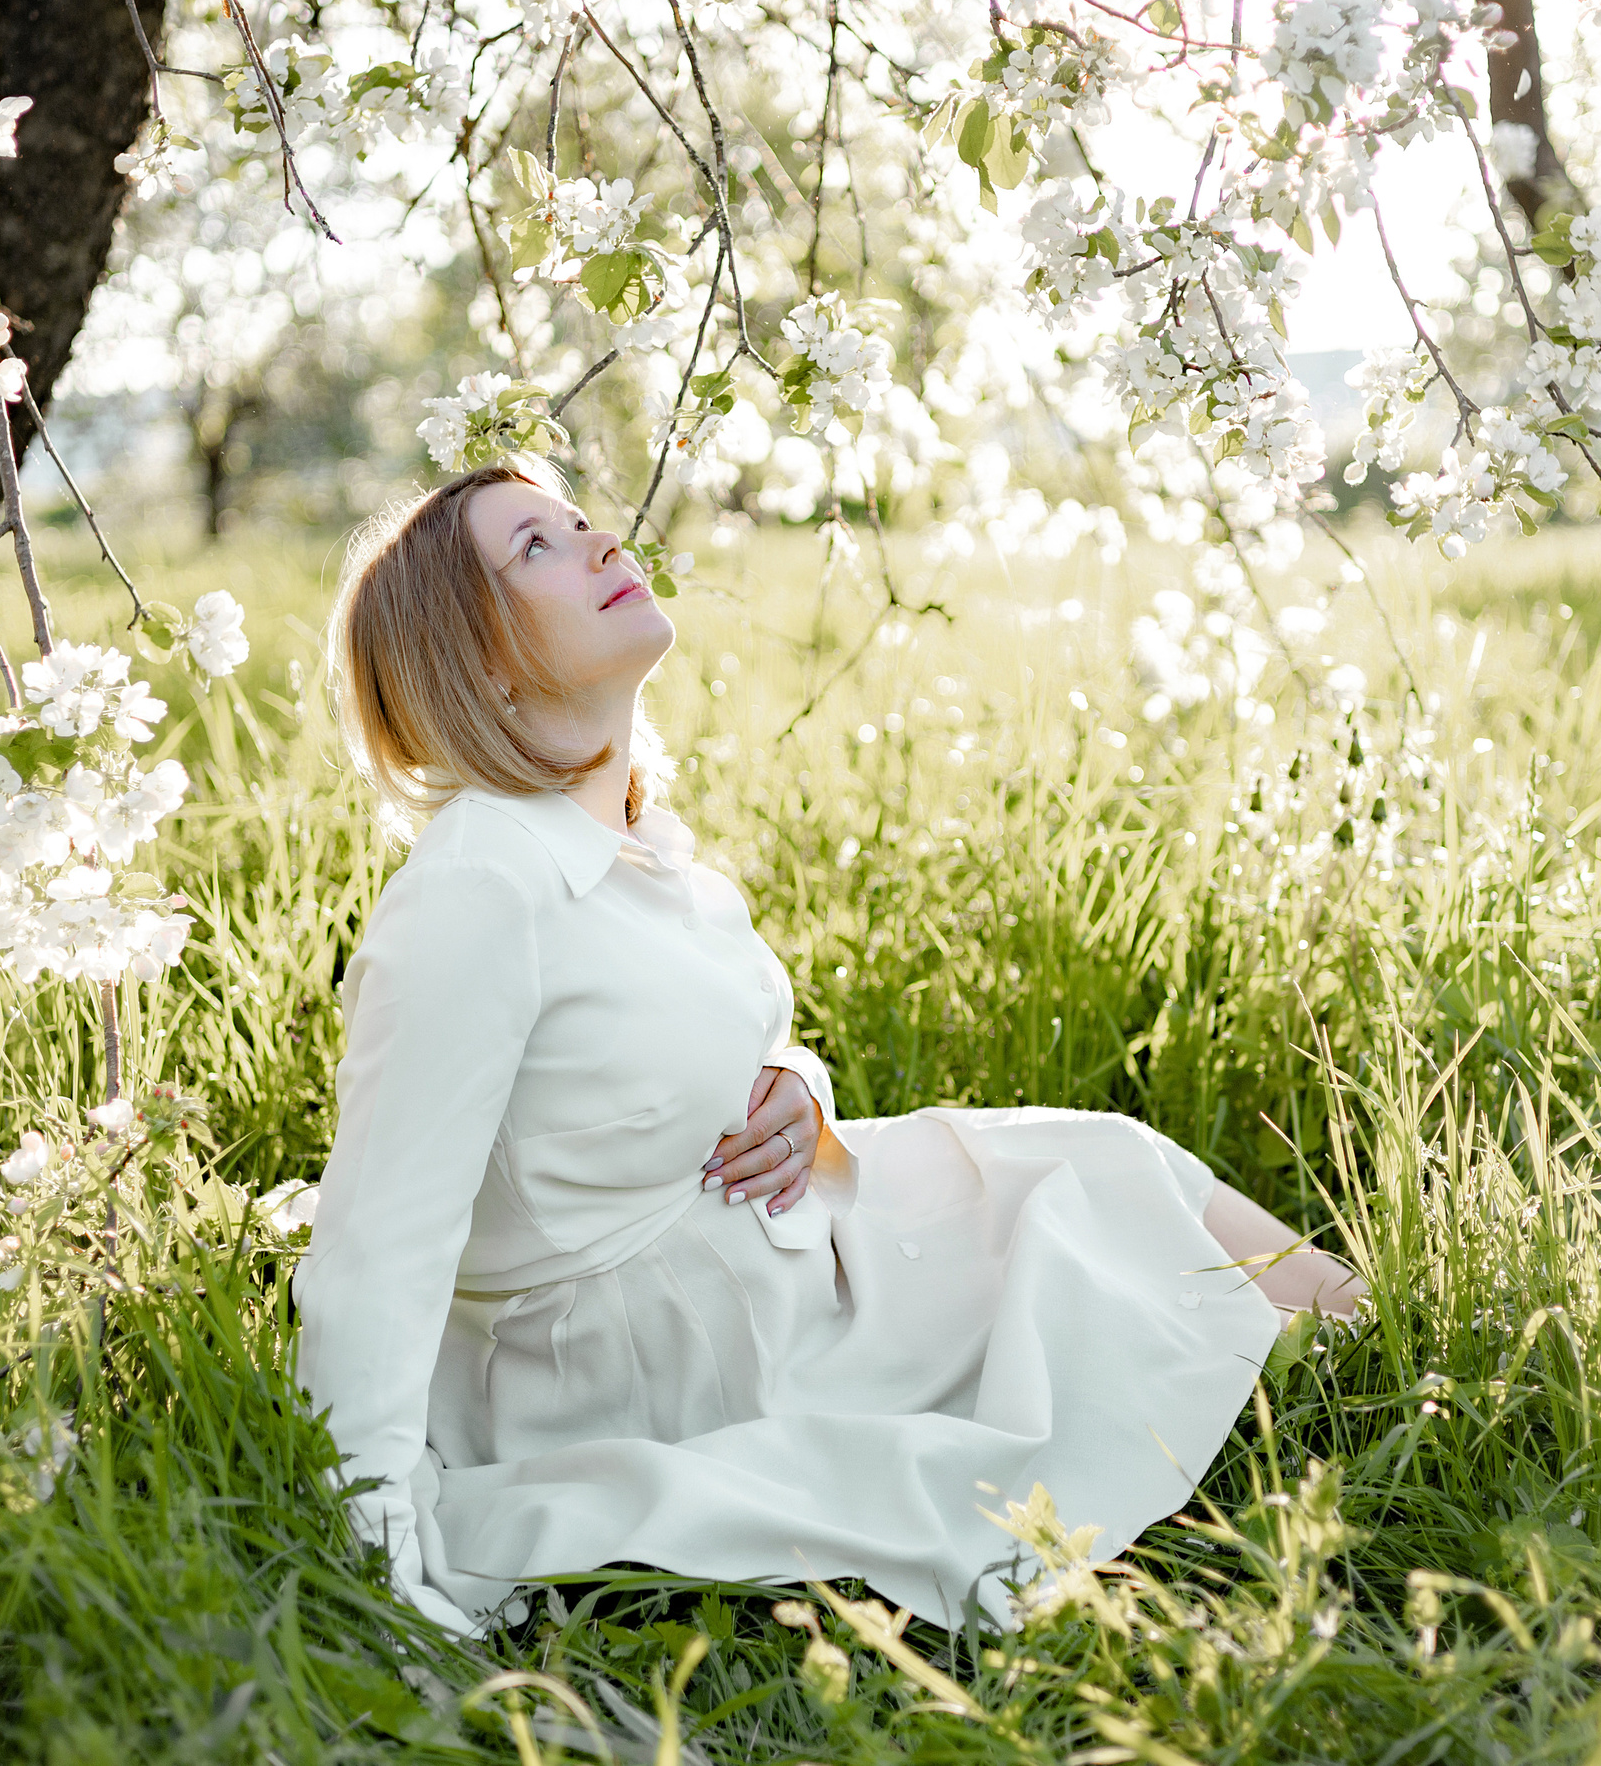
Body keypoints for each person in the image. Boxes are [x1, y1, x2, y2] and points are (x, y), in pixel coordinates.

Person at [292, 453, 1366, 1637]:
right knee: (1071, 1220)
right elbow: (379, 1241)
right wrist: (377, 1548)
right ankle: (1363, 1365)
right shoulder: (479, 884)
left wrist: (796, 1088)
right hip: (669, 1354)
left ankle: (1373, 1337)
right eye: (533, 546)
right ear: (476, 659)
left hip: (767, 1245)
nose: (601, 541)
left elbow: (703, 1043)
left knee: (1091, 1157)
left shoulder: (633, 842)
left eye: (579, 519)